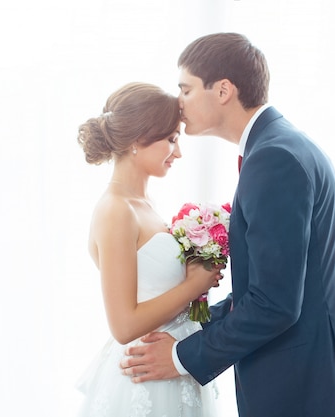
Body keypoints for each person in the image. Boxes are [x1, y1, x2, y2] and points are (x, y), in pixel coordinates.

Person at [120, 33, 335, 417]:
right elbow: (270, 285)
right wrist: (194, 326)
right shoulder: (282, 146)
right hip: (307, 373)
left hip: (295, 386)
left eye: (185, 89)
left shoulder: (274, 159)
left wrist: (182, 357)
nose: (178, 104)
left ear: (223, 90)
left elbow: (275, 303)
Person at [75, 81, 222, 417]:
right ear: (139, 140)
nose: (179, 152)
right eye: (171, 139)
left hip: (172, 368)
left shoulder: (144, 204)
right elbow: (124, 326)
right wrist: (193, 285)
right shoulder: (116, 210)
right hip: (147, 379)